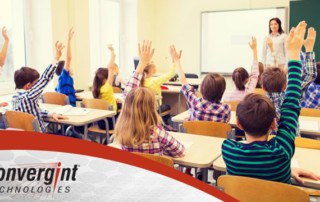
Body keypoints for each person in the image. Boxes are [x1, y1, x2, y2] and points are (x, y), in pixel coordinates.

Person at [222, 21, 306, 183]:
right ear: (274, 124)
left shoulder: (229, 151)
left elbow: (290, 105)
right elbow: (290, 105)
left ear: (238, 123)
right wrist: (294, 53)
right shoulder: (282, 152)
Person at [114, 41, 185, 157]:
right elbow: (180, 152)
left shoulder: (122, 133)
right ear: (152, 108)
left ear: (127, 108)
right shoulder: (157, 133)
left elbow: (128, 95)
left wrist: (141, 63)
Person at [262, 27, 317, 135]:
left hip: (268, 146)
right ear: (285, 85)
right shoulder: (292, 97)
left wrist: (272, 50)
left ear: (263, 86)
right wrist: (309, 48)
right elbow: (310, 75)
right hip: (293, 145)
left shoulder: (258, 103)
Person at [12, 41, 67, 133]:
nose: (38, 85)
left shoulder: (15, 98)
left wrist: (50, 114)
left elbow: (33, 113)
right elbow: (45, 79)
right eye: (36, 83)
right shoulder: (28, 96)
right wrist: (56, 58)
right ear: (28, 85)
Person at [171, 46, 230, 123]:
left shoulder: (196, 102)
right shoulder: (226, 108)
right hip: (216, 135)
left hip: (194, 135)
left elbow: (183, 82)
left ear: (202, 89)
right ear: (222, 91)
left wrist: (177, 61)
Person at [223, 37, 259, 102]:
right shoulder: (249, 94)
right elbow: (254, 74)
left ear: (233, 80)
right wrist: (254, 49)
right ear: (247, 79)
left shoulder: (227, 96)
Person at [92, 46, 119, 130]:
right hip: (111, 122)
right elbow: (111, 68)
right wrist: (112, 52)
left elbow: (106, 99)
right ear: (104, 80)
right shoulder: (107, 88)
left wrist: (114, 100)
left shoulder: (95, 89)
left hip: (101, 122)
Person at [55, 28, 76, 107]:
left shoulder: (59, 84)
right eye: (69, 65)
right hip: (70, 110)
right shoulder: (64, 77)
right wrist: (69, 40)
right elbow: (68, 58)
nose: (70, 66)